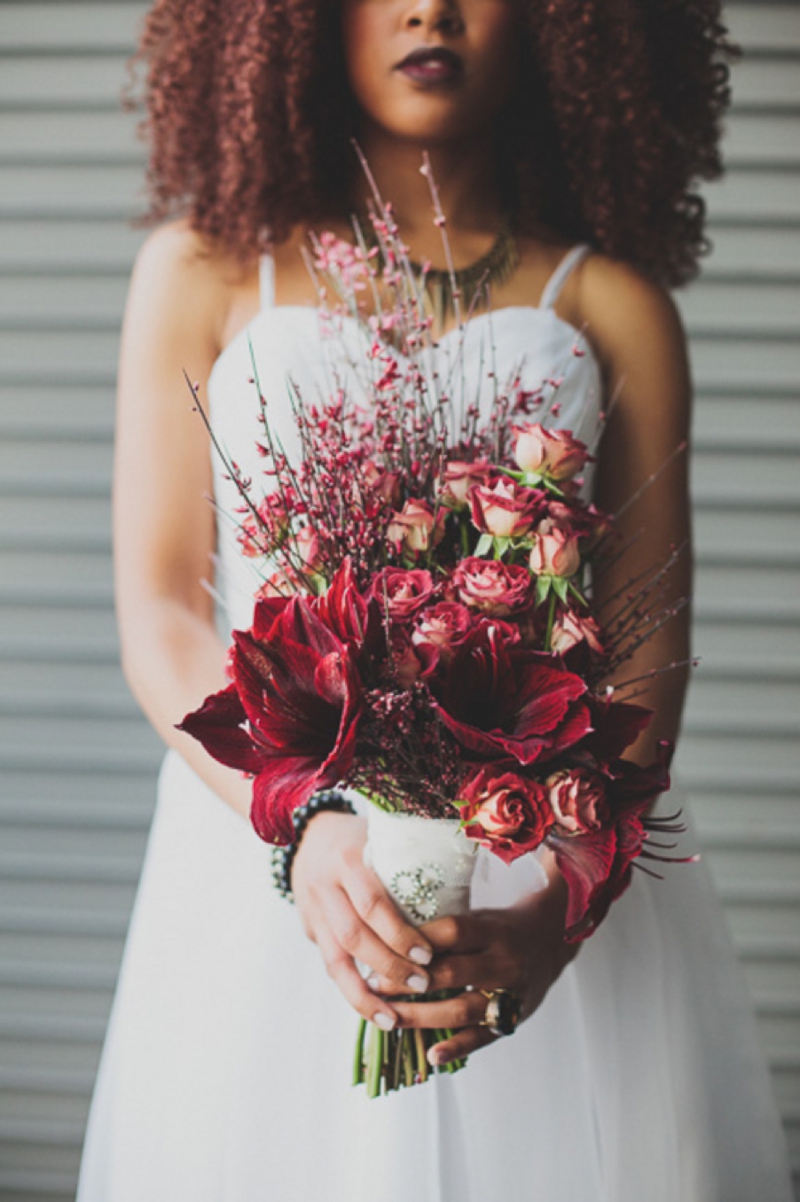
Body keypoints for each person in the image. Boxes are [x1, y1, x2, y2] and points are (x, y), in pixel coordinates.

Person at [76, 0, 793, 1197]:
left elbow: (643, 659)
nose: (431, 9)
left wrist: (553, 921)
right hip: (262, 859)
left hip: (525, 876)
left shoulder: (610, 307)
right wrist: (300, 818)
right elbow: (158, 608)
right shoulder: (200, 267)